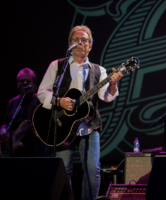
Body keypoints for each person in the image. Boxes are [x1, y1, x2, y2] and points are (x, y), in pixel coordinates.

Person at [37, 25, 123, 200]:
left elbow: (106, 97)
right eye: (75, 39)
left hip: (89, 127)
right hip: (61, 127)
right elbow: (41, 93)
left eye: (84, 40)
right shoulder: (58, 66)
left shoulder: (99, 71)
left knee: (93, 171)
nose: (80, 42)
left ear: (90, 46)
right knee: (62, 171)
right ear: (69, 45)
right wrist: (59, 101)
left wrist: (113, 84)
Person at [0, 68, 48, 157]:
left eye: (28, 81)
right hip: (15, 152)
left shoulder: (40, 101)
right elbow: (6, 123)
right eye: (22, 81)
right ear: (18, 85)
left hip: (35, 150)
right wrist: (2, 131)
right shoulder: (12, 102)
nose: (25, 83)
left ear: (34, 86)